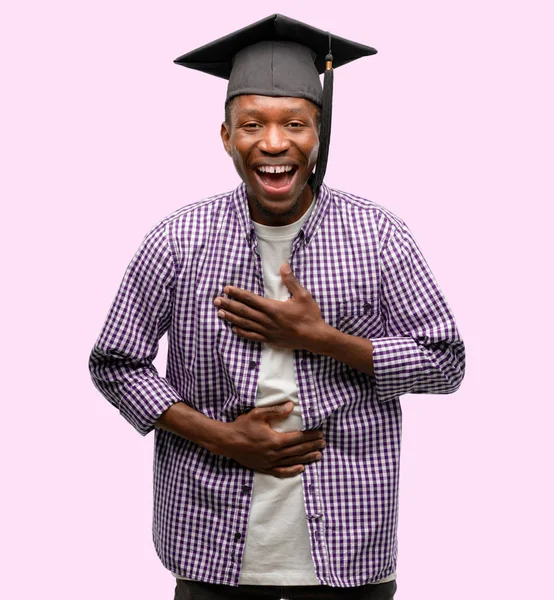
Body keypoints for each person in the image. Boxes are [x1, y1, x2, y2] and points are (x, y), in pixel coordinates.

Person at [89, 14, 465, 600]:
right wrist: (221, 437)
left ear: (320, 130)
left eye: (294, 123)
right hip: (210, 548)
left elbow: (446, 362)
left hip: (349, 552)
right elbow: (116, 362)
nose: (272, 142)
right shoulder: (177, 240)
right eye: (251, 124)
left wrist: (325, 340)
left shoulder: (379, 236)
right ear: (225, 136)